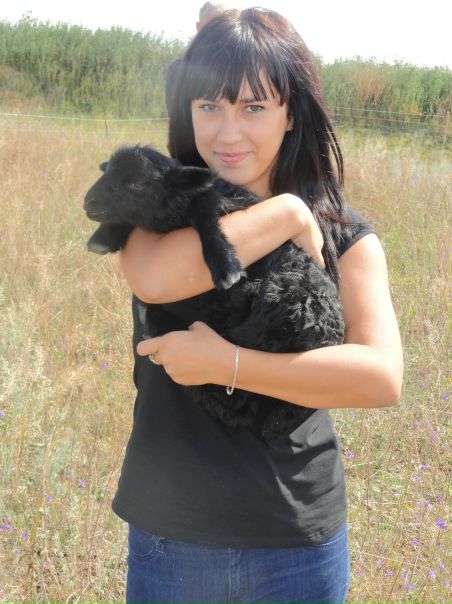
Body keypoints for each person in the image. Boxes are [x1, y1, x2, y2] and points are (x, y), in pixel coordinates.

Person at [114, 8, 403, 604]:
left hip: (296, 540)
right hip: (175, 534)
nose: (228, 133)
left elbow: (380, 377)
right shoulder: (160, 209)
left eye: (253, 107)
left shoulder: (343, 236)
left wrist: (229, 365)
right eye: (209, 106)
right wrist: (288, 212)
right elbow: (154, 277)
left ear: (290, 113)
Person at [165, 1, 228, 114]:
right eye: (213, 25)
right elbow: (177, 116)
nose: (219, 31)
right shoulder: (179, 70)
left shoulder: (242, 67)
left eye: (224, 25)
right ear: (199, 27)